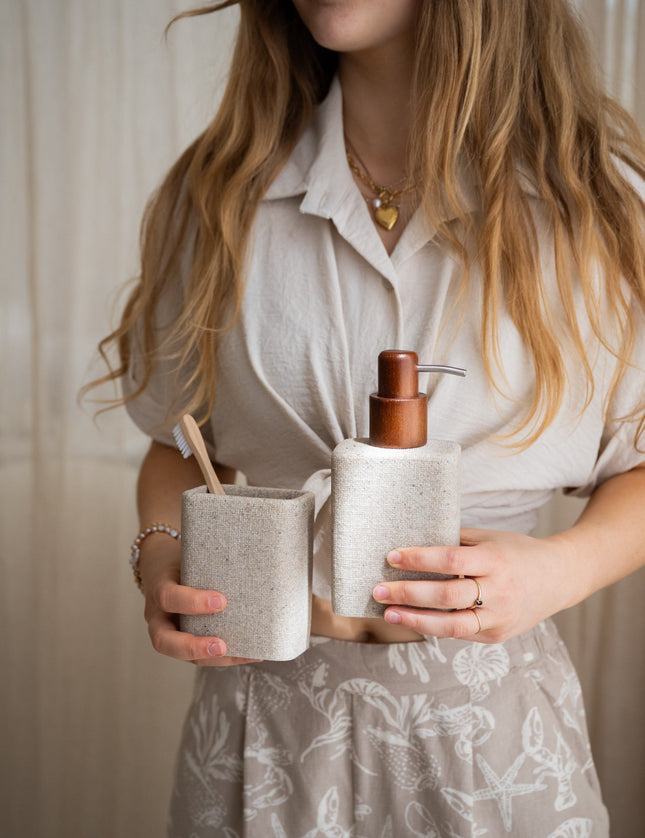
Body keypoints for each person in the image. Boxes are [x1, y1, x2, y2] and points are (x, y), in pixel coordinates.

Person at [89, 1, 645, 835]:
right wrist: (162, 555)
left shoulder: (598, 206)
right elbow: (177, 442)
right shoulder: (216, 196)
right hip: (261, 724)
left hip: (491, 737)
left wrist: (556, 572)